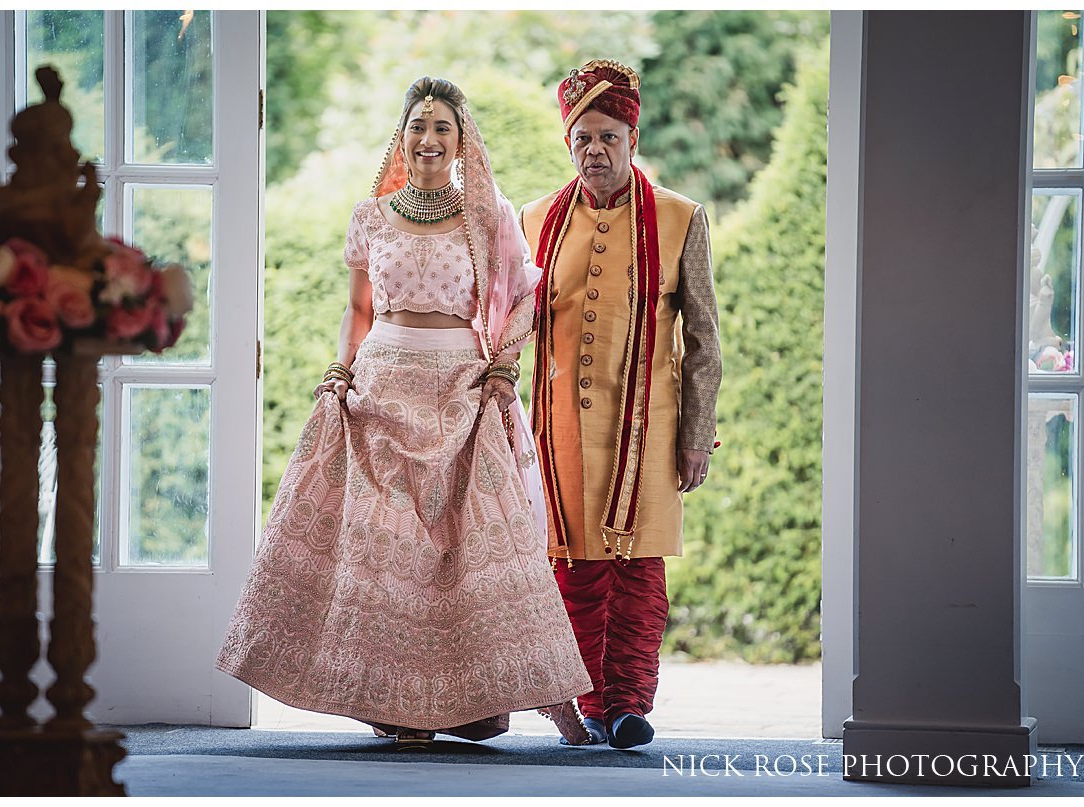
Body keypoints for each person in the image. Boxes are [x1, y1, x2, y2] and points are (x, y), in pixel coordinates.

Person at [217, 77, 592, 746]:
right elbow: (359, 309)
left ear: (460, 140)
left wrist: (503, 366)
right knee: (387, 555)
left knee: (475, 548)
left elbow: (524, 299)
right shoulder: (371, 215)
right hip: (380, 390)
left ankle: (512, 697)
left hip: (461, 390)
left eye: (443, 127)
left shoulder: (489, 215)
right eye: (419, 125)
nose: (429, 138)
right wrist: (341, 370)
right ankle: (397, 706)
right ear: (403, 135)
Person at [520, 60, 722, 749]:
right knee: (574, 568)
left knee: (639, 568)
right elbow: (509, 326)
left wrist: (696, 433)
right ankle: (589, 703)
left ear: (632, 138)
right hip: (564, 430)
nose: (595, 151)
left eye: (608, 136)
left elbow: (704, 338)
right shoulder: (535, 219)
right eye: (583, 140)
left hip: (651, 428)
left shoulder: (679, 217)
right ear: (568, 145)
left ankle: (629, 703)